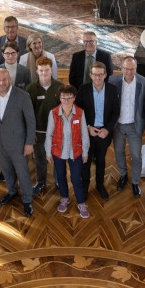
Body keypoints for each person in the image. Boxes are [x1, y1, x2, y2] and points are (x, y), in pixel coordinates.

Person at [0, 67, 37, 216]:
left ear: (10, 79)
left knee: (23, 172)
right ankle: (12, 191)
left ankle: (27, 200)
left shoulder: (22, 96)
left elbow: (31, 122)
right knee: (6, 170)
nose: (2, 83)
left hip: (19, 144)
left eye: (4, 80)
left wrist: (29, 143)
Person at [45, 85, 90, 217]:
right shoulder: (53, 113)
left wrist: (85, 152)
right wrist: (48, 152)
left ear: (74, 98)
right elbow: (49, 134)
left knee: (76, 178)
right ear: (59, 98)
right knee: (60, 176)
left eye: (69, 98)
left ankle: (81, 202)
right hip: (58, 151)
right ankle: (64, 197)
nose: (66, 100)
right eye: (63, 98)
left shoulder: (80, 113)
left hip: (75, 151)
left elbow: (84, 134)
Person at [78, 61, 119, 200]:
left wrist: (107, 129)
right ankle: (85, 185)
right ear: (90, 75)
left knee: (101, 160)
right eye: (95, 74)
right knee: (86, 160)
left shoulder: (112, 90)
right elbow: (79, 111)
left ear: (105, 75)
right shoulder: (83, 89)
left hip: (104, 133)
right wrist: (88, 127)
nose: (97, 78)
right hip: (88, 131)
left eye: (100, 75)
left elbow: (115, 112)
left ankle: (100, 185)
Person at [109, 56, 145, 197]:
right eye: (126, 69)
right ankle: (123, 175)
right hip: (117, 125)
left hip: (134, 126)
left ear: (136, 69)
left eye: (132, 69)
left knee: (136, 156)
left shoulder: (144, 82)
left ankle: (135, 182)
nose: (129, 72)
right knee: (118, 152)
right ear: (121, 68)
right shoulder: (113, 81)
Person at [25, 57, 63, 194]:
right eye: (41, 70)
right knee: (40, 159)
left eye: (47, 70)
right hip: (38, 132)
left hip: (57, 131)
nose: (44, 73)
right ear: (37, 71)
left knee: (58, 157)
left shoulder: (59, 87)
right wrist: (31, 133)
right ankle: (41, 182)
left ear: (51, 70)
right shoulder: (31, 89)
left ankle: (59, 180)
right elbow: (28, 114)